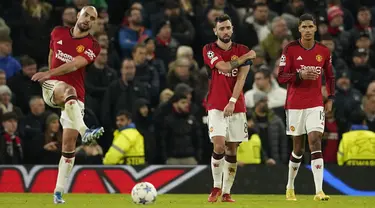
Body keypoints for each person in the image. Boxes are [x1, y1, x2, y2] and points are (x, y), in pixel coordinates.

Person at [31, 6, 104, 204]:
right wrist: (49, 76)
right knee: (67, 90)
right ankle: (85, 130)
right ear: (79, 14)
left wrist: (47, 72)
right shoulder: (58, 32)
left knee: (69, 144)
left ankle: (58, 192)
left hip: (75, 96)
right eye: (86, 14)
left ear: (94, 23)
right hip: (53, 86)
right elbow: (51, 54)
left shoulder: (93, 46)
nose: (88, 19)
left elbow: (74, 64)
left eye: (93, 18)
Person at [277, 13, 335, 201]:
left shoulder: (324, 51)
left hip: (315, 103)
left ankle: (319, 191)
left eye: (311, 27)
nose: (308, 30)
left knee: (315, 140)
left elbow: (330, 76)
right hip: (294, 104)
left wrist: (331, 98)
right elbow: (281, 77)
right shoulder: (290, 49)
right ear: (299, 29)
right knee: (299, 149)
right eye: (304, 27)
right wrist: (299, 75)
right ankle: (290, 187)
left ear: (315, 28)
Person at [202, 14, 256, 203]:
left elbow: (241, 78)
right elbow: (224, 67)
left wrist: (232, 101)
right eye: (221, 28)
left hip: (237, 106)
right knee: (219, 144)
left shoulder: (242, 49)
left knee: (232, 150)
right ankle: (216, 186)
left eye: (228, 28)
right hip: (216, 105)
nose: (225, 31)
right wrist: (246, 57)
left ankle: (226, 192)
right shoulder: (209, 49)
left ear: (232, 29)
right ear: (215, 31)